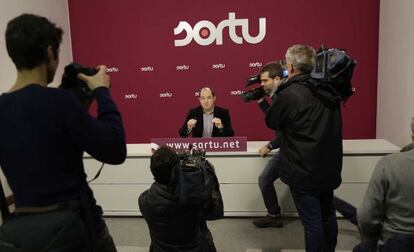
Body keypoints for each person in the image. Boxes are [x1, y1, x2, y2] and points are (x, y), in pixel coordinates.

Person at [0, 14, 126, 252]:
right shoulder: (60, 102)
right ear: (49, 53)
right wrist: (102, 92)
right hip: (78, 231)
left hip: (25, 236)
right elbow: (114, 149)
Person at [266, 44, 343, 252]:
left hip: (303, 170)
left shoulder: (289, 94)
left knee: (312, 223)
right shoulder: (330, 88)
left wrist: (276, 93)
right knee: (327, 215)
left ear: (290, 66)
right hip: (329, 167)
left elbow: (272, 121)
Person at [139, 146, 223, 252]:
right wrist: (207, 173)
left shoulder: (144, 200)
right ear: (177, 170)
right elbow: (216, 212)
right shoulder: (193, 199)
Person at [354, 117, 414, 252]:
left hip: (394, 244)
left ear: (412, 136)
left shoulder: (388, 164)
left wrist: (371, 237)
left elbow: (366, 216)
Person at [252, 62, 286, 228]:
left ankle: (355, 215)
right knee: (265, 179)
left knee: (310, 192)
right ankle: (273, 215)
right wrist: (260, 100)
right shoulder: (278, 96)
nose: (262, 84)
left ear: (277, 79)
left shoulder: (284, 96)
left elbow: (285, 131)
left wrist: (271, 145)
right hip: (287, 150)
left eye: (265, 81)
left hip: (292, 151)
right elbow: (274, 118)